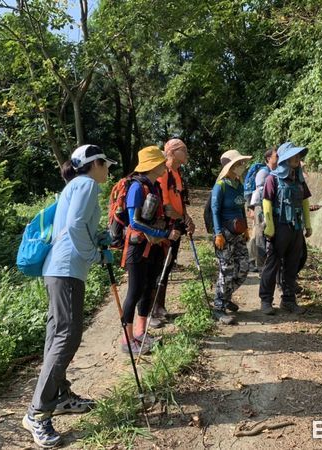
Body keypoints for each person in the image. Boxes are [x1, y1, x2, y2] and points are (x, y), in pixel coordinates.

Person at [23, 144, 116, 448]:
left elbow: (74, 226)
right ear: (94, 164)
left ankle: (60, 396)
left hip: (58, 269)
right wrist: (95, 255)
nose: (108, 170)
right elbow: (75, 226)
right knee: (67, 337)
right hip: (66, 270)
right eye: (106, 164)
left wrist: (98, 237)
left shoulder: (75, 185)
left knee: (57, 335)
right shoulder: (87, 184)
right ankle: (37, 413)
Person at [121, 146, 181, 353]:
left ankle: (141, 333)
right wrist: (165, 235)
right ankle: (126, 340)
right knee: (134, 291)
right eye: (161, 162)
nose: (165, 165)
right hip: (137, 248)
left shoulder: (153, 185)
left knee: (148, 289)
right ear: (153, 165)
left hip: (153, 247)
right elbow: (134, 222)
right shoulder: (137, 187)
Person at [259, 142, 312, 315]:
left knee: (292, 264)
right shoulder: (272, 178)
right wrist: (270, 227)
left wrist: (308, 225)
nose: (297, 159)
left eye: (298, 156)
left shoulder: (299, 180)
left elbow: (305, 202)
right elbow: (266, 202)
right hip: (278, 227)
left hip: (295, 228)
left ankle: (288, 300)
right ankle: (266, 301)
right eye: (293, 156)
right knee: (272, 264)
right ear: (285, 159)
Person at [149, 138, 195, 327]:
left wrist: (187, 217)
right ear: (173, 152)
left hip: (175, 225)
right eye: (183, 150)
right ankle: (152, 310)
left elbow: (179, 200)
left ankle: (160, 306)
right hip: (164, 228)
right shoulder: (163, 172)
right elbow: (166, 207)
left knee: (167, 267)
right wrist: (182, 219)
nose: (186, 152)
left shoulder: (177, 172)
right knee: (158, 267)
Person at [211, 149, 252, 325]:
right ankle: (218, 307)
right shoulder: (221, 186)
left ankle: (225, 296)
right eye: (239, 164)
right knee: (226, 270)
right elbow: (215, 210)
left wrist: (245, 228)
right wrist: (218, 233)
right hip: (225, 234)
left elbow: (241, 207)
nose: (242, 166)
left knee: (243, 268)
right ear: (231, 166)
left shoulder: (239, 185)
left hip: (238, 233)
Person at [247, 147, 278, 272]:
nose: (279, 157)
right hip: (260, 206)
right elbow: (259, 192)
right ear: (269, 158)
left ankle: (259, 262)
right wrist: (253, 209)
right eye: (276, 155)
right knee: (260, 234)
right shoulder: (263, 173)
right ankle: (261, 266)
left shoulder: (275, 171)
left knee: (262, 233)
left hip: (267, 205)